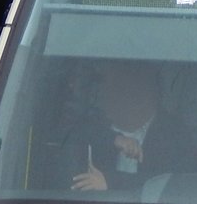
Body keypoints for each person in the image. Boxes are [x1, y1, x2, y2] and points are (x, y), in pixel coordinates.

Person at [68, 60, 189, 192]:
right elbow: (66, 135)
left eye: (115, 88)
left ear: (143, 93)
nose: (104, 95)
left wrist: (111, 182)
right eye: (106, 87)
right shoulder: (97, 126)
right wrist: (115, 139)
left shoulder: (174, 134)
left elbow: (168, 185)